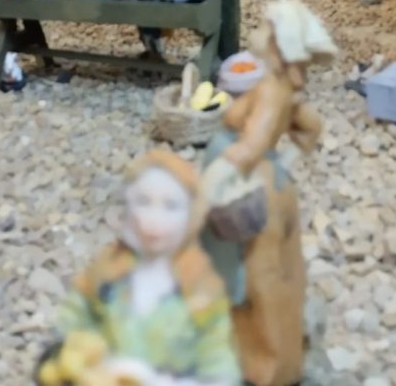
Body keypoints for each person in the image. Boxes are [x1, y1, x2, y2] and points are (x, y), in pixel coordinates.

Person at [201, 0, 337, 386]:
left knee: (257, 278)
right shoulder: (285, 87)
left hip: (249, 186)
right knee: (280, 269)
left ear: (279, 42)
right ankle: (279, 356)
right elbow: (310, 128)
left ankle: (267, 364)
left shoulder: (271, 90)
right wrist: (285, 162)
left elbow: (254, 142)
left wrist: (210, 185)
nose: (256, 32)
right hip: (270, 179)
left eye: (263, 27)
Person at [36, 150, 242, 386]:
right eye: (143, 202)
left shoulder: (202, 289)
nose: (154, 219)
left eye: (170, 206)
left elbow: (219, 368)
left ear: (191, 213)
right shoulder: (109, 268)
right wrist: (69, 356)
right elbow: (74, 317)